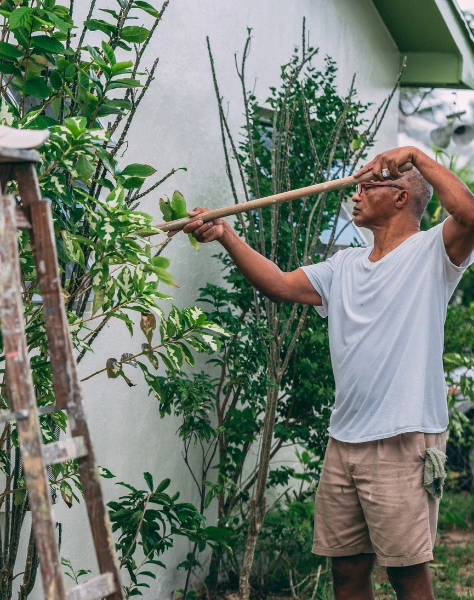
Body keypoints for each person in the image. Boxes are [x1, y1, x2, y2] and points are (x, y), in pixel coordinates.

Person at [172, 146, 474, 600]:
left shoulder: (433, 253)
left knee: (407, 577)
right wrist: (225, 234)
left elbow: (470, 216)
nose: (355, 193)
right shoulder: (343, 266)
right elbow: (277, 284)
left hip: (403, 440)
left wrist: (414, 156)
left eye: (367, 185)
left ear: (400, 196)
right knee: (347, 573)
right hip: (344, 442)